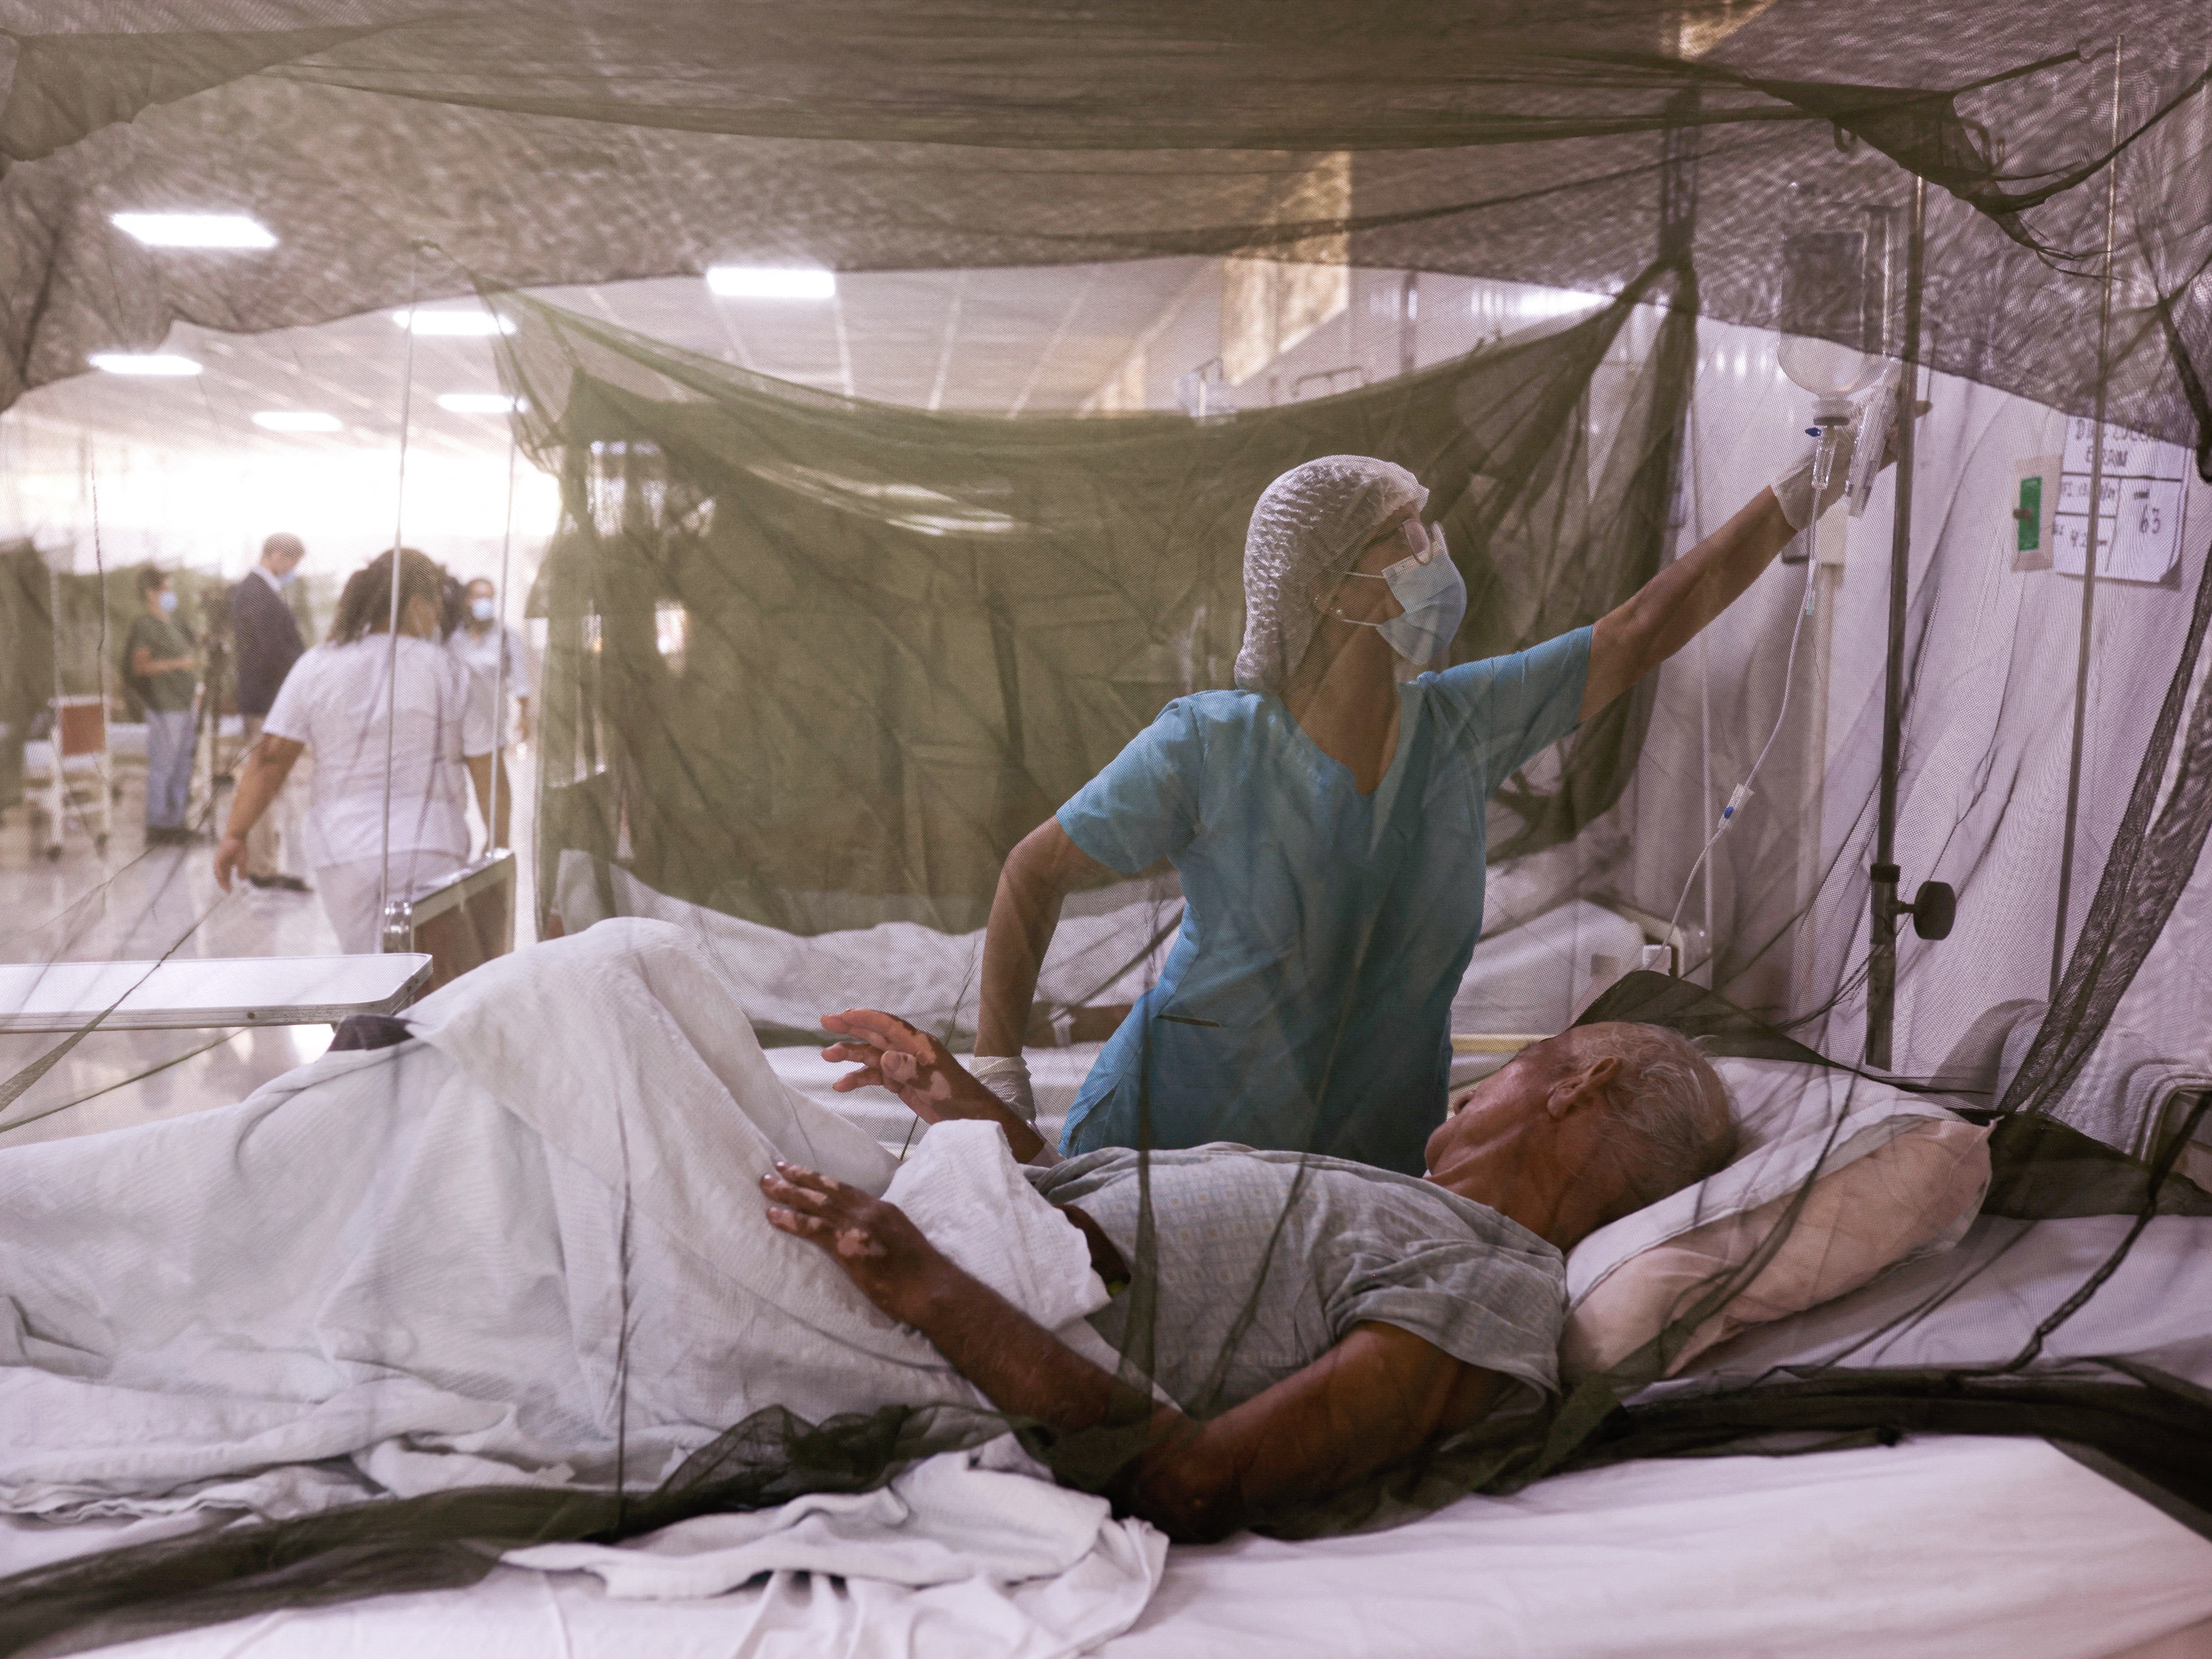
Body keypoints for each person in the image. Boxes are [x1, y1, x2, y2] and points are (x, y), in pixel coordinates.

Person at [974, 441, 1847, 1176]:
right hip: (1162, 1145)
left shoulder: (1462, 726)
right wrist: (999, 1069)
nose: (1435, 553)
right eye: (1403, 536)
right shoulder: (1209, 747)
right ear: (1328, 589)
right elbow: (1032, 870)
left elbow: (1636, 633)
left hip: (1365, 1166)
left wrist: (1796, 496)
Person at [789, 1007, 1736, 1540]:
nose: (1484, 1079)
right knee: (640, 992)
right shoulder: (1412, 1204)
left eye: (1528, 1058)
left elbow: (1197, 1482)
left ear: (1582, 1084)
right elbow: (1092, 1220)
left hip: (897, 1319)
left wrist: (931, 1287)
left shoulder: (1496, 1278)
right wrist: (953, 1098)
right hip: (894, 1255)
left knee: (634, 980)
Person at [214, 547, 496, 951]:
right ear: (416, 604)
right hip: (431, 844)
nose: (438, 617)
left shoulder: (318, 664)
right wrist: (496, 847)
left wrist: (235, 834)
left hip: (341, 849)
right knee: (428, 978)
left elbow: (271, 756)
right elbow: (487, 771)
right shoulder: (449, 669)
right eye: (434, 605)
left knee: (367, 975)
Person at [229, 532, 310, 890]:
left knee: (266, 780)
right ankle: (262, 866)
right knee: (262, 779)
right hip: (268, 701)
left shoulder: (260, 592)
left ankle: (265, 861)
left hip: (269, 699)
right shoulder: (256, 594)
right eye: (291, 562)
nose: (292, 570)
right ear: (276, 555)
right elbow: (270, 653)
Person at [446, 575, 530, 849]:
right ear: (467, 601)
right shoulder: (452, 637)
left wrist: (525, 714)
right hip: (457, 724)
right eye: (479, 597)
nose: (485, 604)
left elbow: (521, 677)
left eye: (490, 598)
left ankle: (497, 841)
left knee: (493, 787)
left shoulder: (505, 635)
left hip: (492, 721)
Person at [126, 566, 200, 846]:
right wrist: (177, 664)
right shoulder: (146, 626)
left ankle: (176, 822)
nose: (171, 594)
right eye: (166, 589)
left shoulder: (174, 624)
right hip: (164, 706)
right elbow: (140, 667)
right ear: (151, 593)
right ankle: (157, 824)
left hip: (185, 704)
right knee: (164, 766)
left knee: (183, 765)